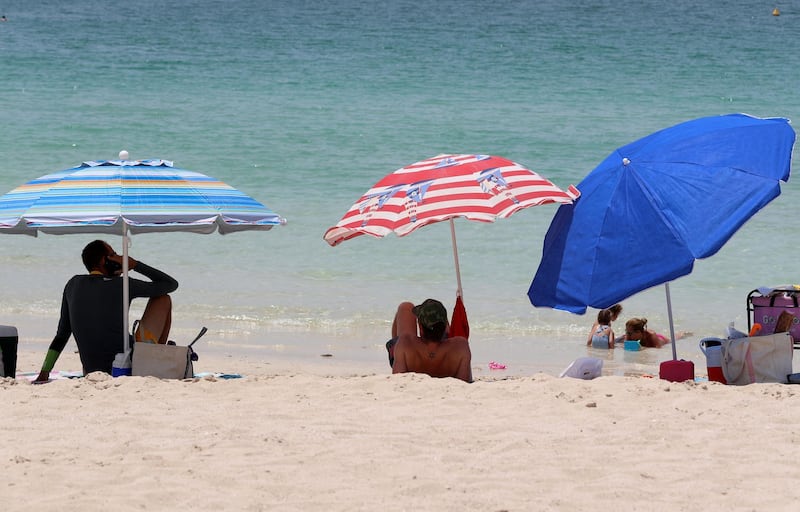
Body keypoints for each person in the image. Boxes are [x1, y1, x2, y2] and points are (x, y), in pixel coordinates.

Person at [33, 240, 178, 382]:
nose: (118, 258)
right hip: (127, 366)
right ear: (104, 260)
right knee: (163, 299)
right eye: (114, 255)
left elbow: (62, 335)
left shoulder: (73, 284)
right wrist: (134, 265)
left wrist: (45, 372)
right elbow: (170, 284)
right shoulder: (122, 284)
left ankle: (156, 357)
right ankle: (157, 359)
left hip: (91, 370)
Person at [389, 299, 472, 383]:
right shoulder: (461, 346)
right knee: (438, 315)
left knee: (405, 307)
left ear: (420, 328)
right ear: (444, 329)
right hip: (447, 361)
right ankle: (436, 324)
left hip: (412, 357)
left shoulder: (405, 342)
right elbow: (464, 381)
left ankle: (430, 324)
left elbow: (397, 379)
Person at [624, 317, 690, 348]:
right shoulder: (628, 335)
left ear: (638, 332)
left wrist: (642, 349)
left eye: (629, 333)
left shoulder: (651, 335)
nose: (627, 335)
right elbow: (625, 347)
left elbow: (658, 349)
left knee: (676, 338)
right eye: (626, 332)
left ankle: (685, 333)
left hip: (662, 340)